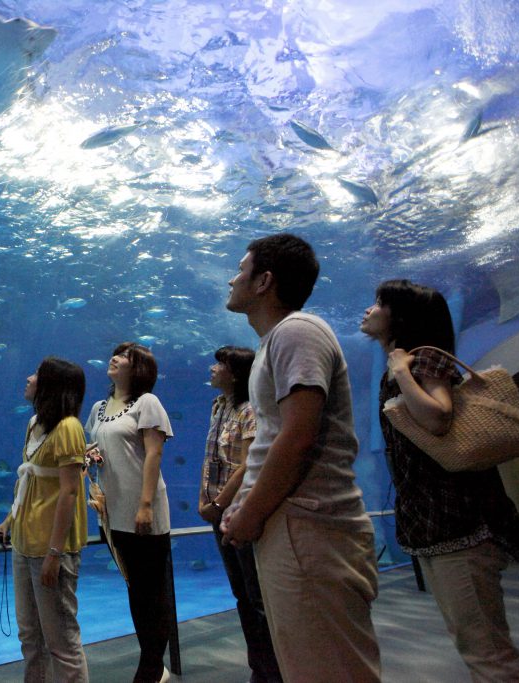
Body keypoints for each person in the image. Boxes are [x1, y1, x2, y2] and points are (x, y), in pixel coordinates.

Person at [221, 233, 380, 682]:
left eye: (241, 269)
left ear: (263, 281)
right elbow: (275, 438)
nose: (232, 279)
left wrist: (249, 513)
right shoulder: (277, 342)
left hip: (310, 527)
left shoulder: (296, 331)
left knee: (327, 669)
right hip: (294, 526)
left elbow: (297, 435)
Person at [361, 279, 519, 681]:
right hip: (439, 527)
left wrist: (401, 371)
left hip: (460, 526)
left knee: (487, 650)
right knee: (476, 642)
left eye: (379, 303)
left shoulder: (420, 361)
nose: (370, 309)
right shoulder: (405, 364)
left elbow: (437, 416)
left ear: (399, 316)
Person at [0, 357, 89, 682]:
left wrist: (55, 553)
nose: (28, 378)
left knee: (62, 642)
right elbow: (29, 481)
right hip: (24, 542)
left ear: (50, 385)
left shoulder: (69, 428)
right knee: (30, 638)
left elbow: (69, 493)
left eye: (36, 374)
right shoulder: (34, 424)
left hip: (50, 549)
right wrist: (9, 521)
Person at [84, 342, 173, 683]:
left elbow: (154, 454)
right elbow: (98, 448)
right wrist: (90, 456)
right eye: (116, 353)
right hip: (112, 511)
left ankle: (150, 668)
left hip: (142, 507)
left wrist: (146, 505)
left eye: (125, 356)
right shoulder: (99, 408)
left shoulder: (147, 403)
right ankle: (153, 662)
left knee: (153, 589)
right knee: (135, 588)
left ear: (138, 369)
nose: (115, 358)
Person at [198, 346, 281, 683]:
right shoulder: (218, 407)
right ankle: (258, 668)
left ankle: (274, 671)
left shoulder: (249, 410)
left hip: (237, 511)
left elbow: (248, 464)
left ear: (234, 373)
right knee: (242, 596)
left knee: (257, 595)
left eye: (220, 364)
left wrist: (218, 504)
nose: (213, 368)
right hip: (218, 512)